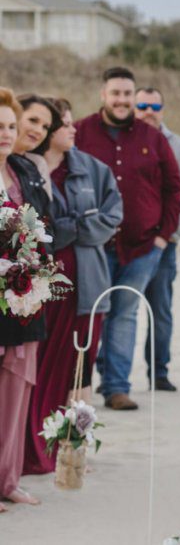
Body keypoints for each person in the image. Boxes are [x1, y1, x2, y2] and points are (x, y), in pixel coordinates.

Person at [22, 99, 123, 475]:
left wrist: (70, 228)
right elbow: (39, 229)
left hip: (87, 281)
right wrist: (74, 225)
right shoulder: (26, 170)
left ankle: (72, 449)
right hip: (44, 287)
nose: (73, 129)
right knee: (40, 363)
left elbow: (111, 219)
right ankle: (31, 444)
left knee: (78, 368)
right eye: (64, 124)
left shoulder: (93, 170)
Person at [74, 67, 180, 411]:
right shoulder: (80, 132)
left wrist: (163, 237)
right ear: (103, 95)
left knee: (125, 313)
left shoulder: (153, 139)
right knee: (91, 314)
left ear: (133, 98)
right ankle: (79, 387)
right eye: (115, 93)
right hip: (93, 245)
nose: (121, 100)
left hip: (142, 247)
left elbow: (174, 188)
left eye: (127, 94)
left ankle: (117, 388)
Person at [0, 88, 52, 511]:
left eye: (10, 127)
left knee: (16, 393)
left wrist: (37, 279)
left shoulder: (23, 172)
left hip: (23, 301)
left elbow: (42, 231)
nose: (5, 134)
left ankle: (8, 479)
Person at [135, 87, 180, 393]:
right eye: (143, 105)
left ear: (163, 109)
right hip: (123, 244)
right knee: (116, 311)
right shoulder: (122, 143)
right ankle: (110, 377)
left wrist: (174, 232)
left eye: (154, 106)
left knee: (159, 310)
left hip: (164, 244)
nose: (149, 110)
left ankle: (158, 373)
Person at [14, 94, 61, 196]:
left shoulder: (38, 164)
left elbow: (46, 210)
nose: (39, 131)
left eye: (45, 127)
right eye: (33, 120)